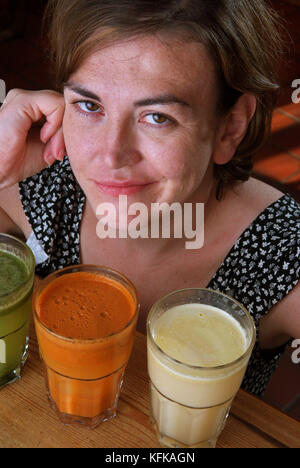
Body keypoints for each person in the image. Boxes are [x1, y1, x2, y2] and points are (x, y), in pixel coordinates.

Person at [0, 0, 299, 397]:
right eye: (90, 106)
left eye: (157, 116)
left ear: (230, 128)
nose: (110, 155)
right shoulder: (51, 180)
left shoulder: (280, 251)